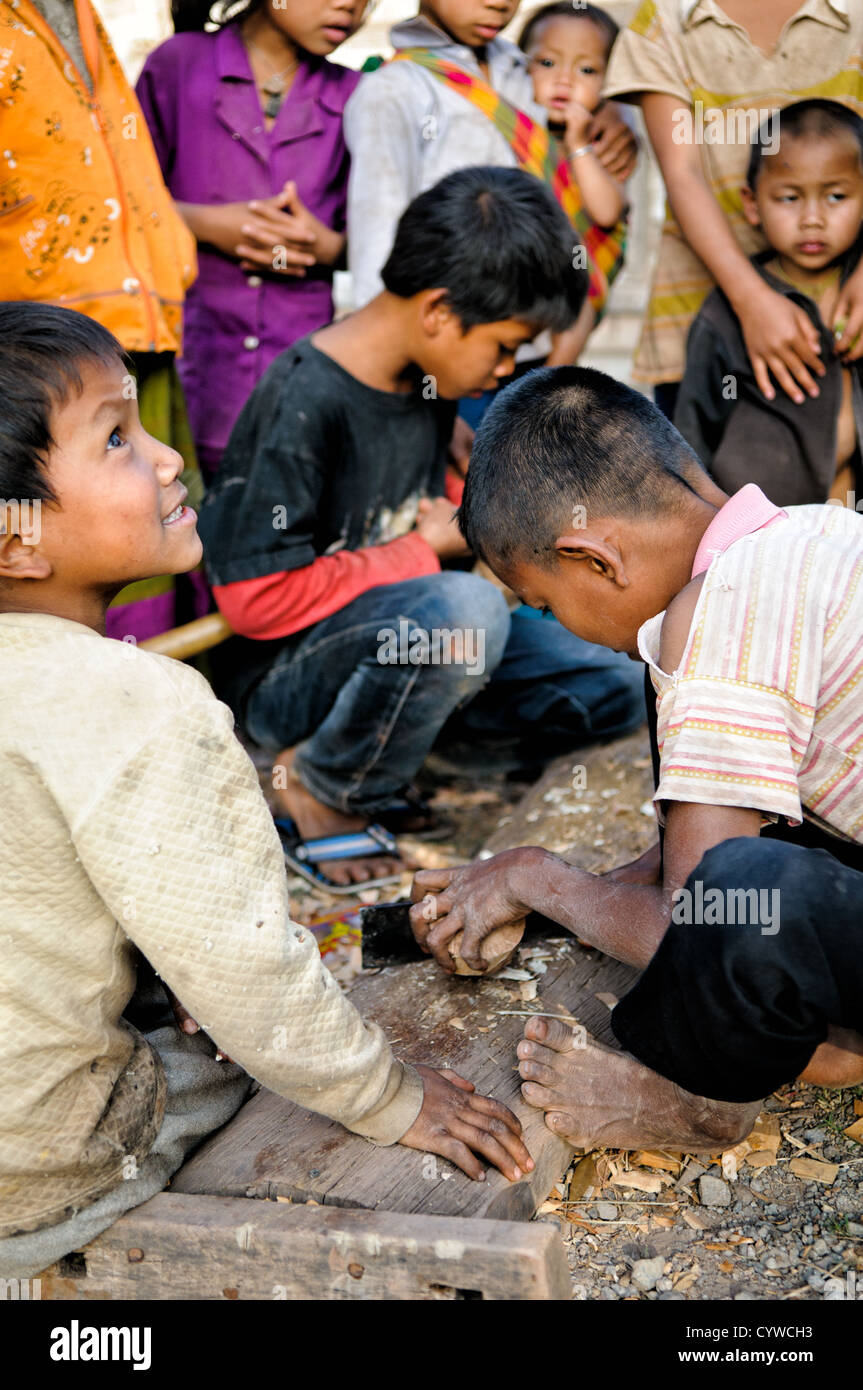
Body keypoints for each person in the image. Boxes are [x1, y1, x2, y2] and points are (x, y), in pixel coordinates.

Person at [0, 302, 533, 1279]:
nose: (169, 460)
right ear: (18, 542)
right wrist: (393, 1097)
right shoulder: (144, 702)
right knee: (225, 1053)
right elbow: (247, 977)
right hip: (28, 1177)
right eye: (117, 438)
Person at [408, 365, 863, 1154]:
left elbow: (699, 921)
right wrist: (573, 899)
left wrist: (531, 875)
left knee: (742, 891)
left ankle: (697, 1104)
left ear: (594, 558)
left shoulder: (715, 615)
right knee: (757, 855)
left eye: (547, 604)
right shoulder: (813, 531)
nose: (565, 627)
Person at [197, 168, 645, 892]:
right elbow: (251, 599)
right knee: (460, 612)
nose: (504, 368)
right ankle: (322, 786)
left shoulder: (426, 376)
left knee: (618, 677)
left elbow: (416, 496)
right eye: (505, 347)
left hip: (400, 637)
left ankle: (405, 752)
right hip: (287, 677)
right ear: (438, 311)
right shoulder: (303, 396)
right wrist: (423, 550)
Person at [0, 0, 203, 642]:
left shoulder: (78, 13)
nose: (163, 457)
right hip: (34, 353)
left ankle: (152, 679)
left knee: (146, 532)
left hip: (128, 332)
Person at [138, 0, 367, 481]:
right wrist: (205, 223)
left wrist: (323, 246)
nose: (350, 4)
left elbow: (378, 247)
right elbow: (118, 204)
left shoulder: (357, 95)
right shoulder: (179, 66)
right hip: (190, 360)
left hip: (296, 373)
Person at [603, 0, 863, 419]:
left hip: (846, 321)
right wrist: (752, 300)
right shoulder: (666, 19)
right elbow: (682, 172)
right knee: (702, 479)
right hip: (696, 324)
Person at [343, 0, 635, 342]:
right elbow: (377, 233)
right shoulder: (395, 90)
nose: (499, 3)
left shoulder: (524, 68)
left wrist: (615, 108)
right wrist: (384, 345)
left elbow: (581, 81)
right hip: (449, 340)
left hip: (533, 333)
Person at [674, 100, 863, 508]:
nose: (812, 218)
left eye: (835, 196)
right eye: (790, 198)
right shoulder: (727, 310)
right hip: (759, 531)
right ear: (752, 203)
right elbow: (692, 433)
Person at [519, 1, 625, 231]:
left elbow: (607, 213)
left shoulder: (604, 144)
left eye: (587, 70)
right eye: (547, 63)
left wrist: (578, 144)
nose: (565, 80)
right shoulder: (511, 124)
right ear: (522, 65)